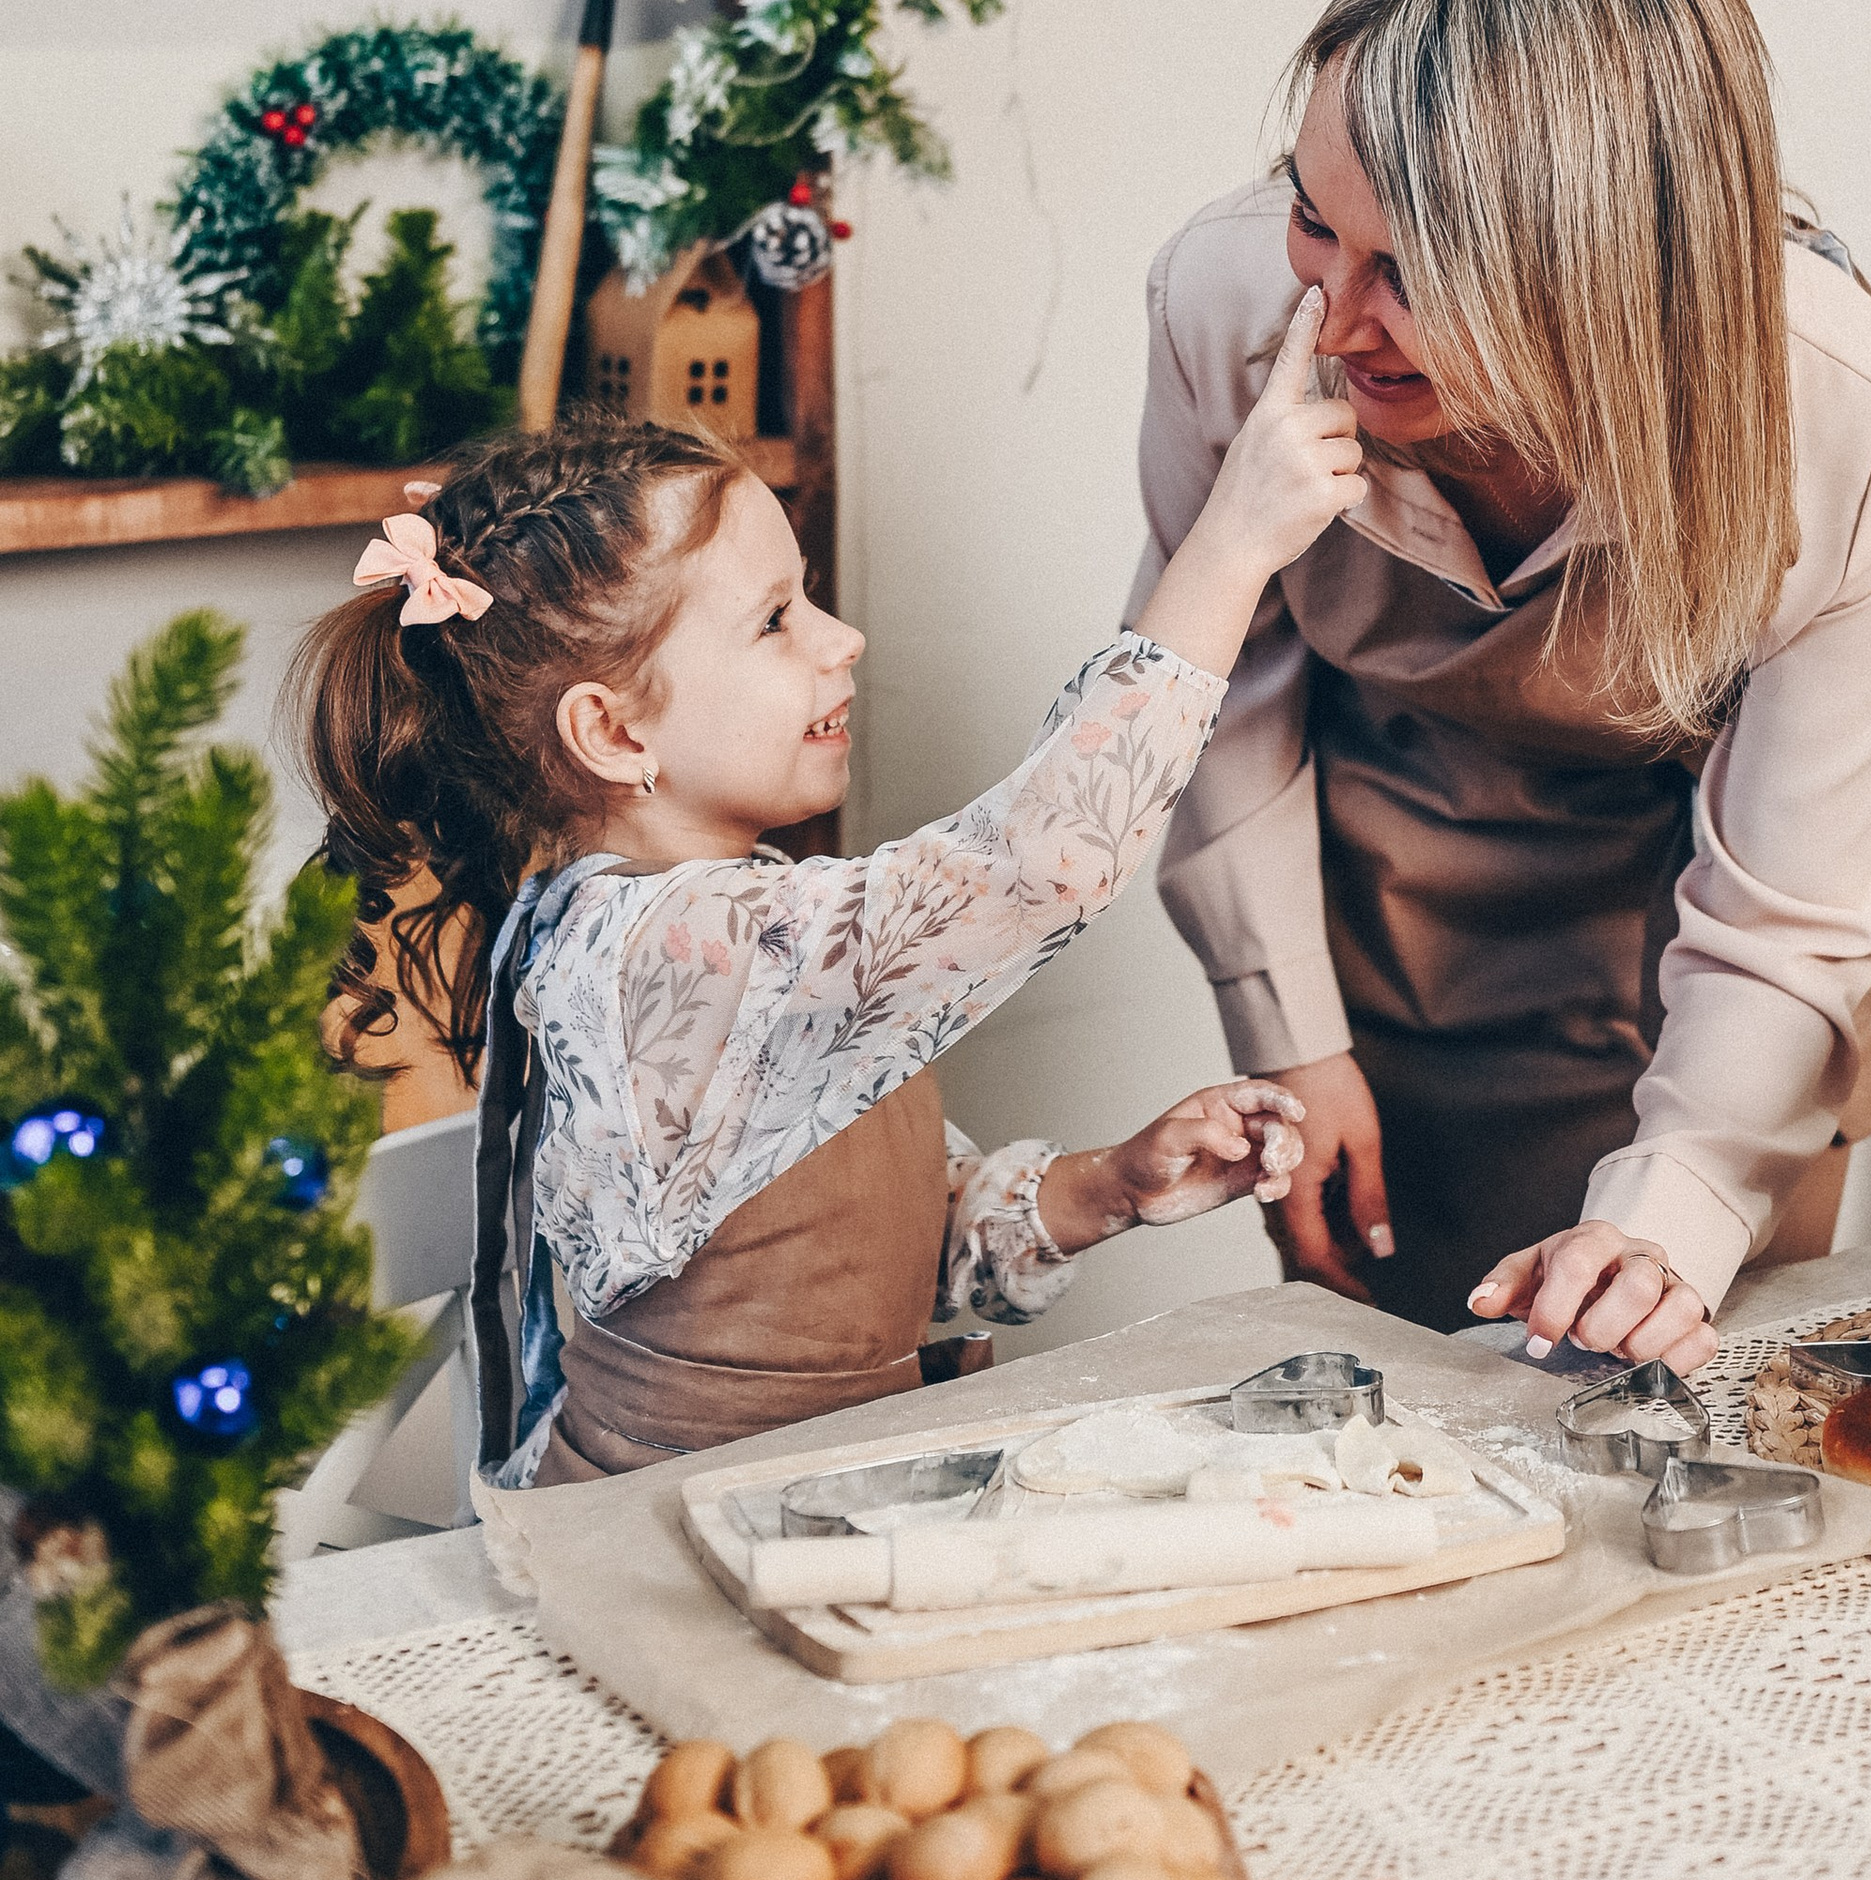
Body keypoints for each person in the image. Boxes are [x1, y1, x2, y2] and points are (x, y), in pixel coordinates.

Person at [290, 300, 1361, 1485]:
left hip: (828, 1502)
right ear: (611, 730)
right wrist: (1231, 547)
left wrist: (1105, 1184)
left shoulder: (755, 910)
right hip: (678, 1543)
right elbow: (1038, 864)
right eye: (774, 620)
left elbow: (894, 1241)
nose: (841, 637)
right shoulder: (660, 948)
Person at [1132, 0, 1871, 1378]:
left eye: (1418, 274)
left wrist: (1680, 1205)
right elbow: (1219, 695)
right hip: (1377, 953)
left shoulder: (1851, 418)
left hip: (1707, 985)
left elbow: (1796, 906)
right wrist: (1287, 1032)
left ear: (1605, 274)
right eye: (1320, 223)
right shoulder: (1226, 297)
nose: (1336, 317)